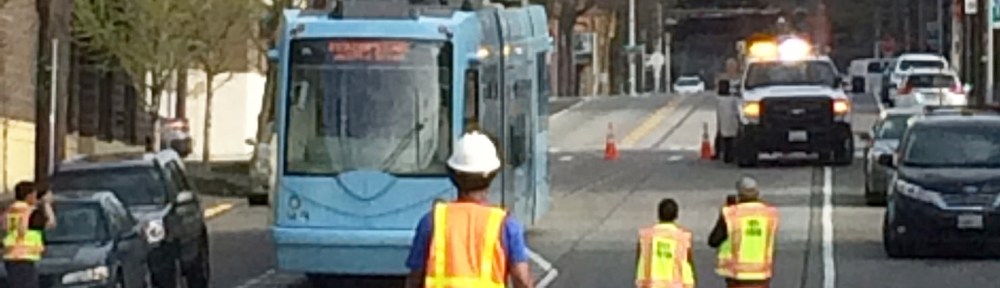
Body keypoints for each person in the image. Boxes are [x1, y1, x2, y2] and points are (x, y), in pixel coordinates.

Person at [404, 131, 534, 288]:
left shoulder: (432, 221)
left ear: (453, 175)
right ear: (492, 176)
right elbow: (521, 279)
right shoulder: (505, 225)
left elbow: (415, 278)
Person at [708, 176, 779, 288]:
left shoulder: (731, 214)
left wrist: (724, 212)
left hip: (737, 275)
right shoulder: (769, 213)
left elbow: (713, 241)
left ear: (739, 194)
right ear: (757, 193)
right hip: (762, 273)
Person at [4, 181, 57, 288]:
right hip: (25, 258)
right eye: (34, 194)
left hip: (10, 257)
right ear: (28, 196)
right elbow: (51, 224)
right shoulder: (31, 212)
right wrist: (46, 204)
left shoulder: (9, 211)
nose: (35, 197)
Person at [634, 198, 695, 288]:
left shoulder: (646, 236)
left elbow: (640, 258)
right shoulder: (682, 237)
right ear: (676, 215)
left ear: (658, 214)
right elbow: (687, 261)